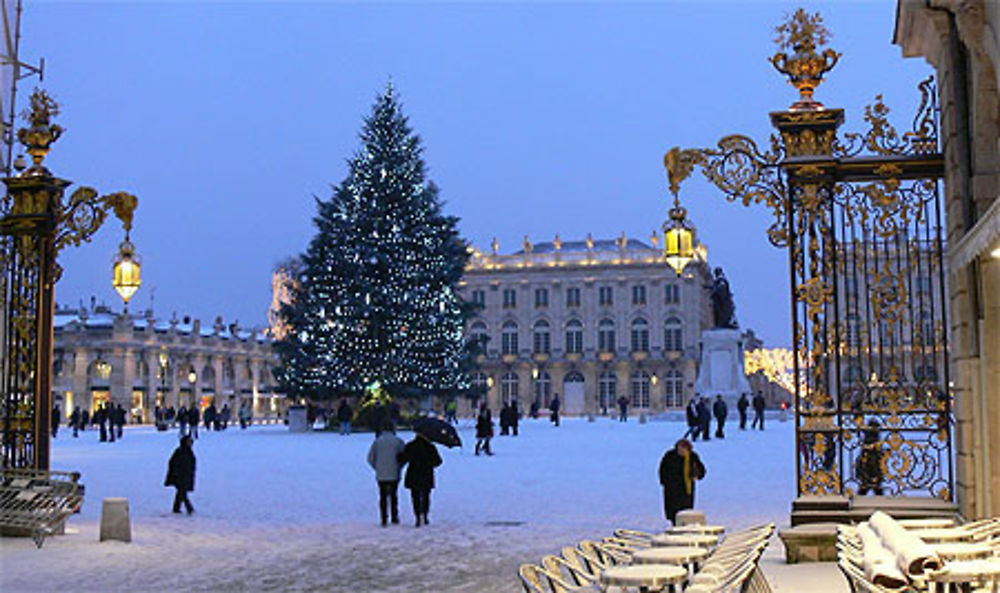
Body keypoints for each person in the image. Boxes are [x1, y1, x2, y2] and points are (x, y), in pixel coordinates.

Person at [658, 438, 706, 525]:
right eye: (680, 449)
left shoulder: (693, 457)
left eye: (684, 449)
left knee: (686, 510)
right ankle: (674, 524)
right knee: (673, 510)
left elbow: (701, 470)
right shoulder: (670, 455)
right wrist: (664, 482)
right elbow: (663, 469)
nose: (682, 451)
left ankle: (684, 525)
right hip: (672, 488)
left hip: (686, 489)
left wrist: (697, 474)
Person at [399, 433, 442, 527]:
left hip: (413, 473)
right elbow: (438, 461)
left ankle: (417, 516)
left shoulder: (411, 445)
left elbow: (403, 458)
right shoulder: (430, 447)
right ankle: (425, 515)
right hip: (427, 474)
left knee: (415, 496)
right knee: (426, 495)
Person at [367, 423, 405, 526]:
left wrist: (377, 467)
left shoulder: (377, 441)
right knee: (394, 495)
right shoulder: (398, 441)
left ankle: (384, 518)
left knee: (383, 496)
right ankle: (394, 516)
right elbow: (404, 457)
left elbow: (370, 458)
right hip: (394, 472)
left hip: (381, 473)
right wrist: (399, 466)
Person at [165, 435, 196, 514]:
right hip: (180, 476)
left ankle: (176, 508)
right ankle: (189, 508)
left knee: (180, 492)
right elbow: (173, 463)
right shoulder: (180, 451)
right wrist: (175, 474)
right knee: (182, 492)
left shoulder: (189, 451)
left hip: (185, 475)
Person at [857, 419, 883, 495]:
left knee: (865, 486)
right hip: (872, 461)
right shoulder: (875, 439)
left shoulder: (867, 437)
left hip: (868, 461)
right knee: (876, 487)